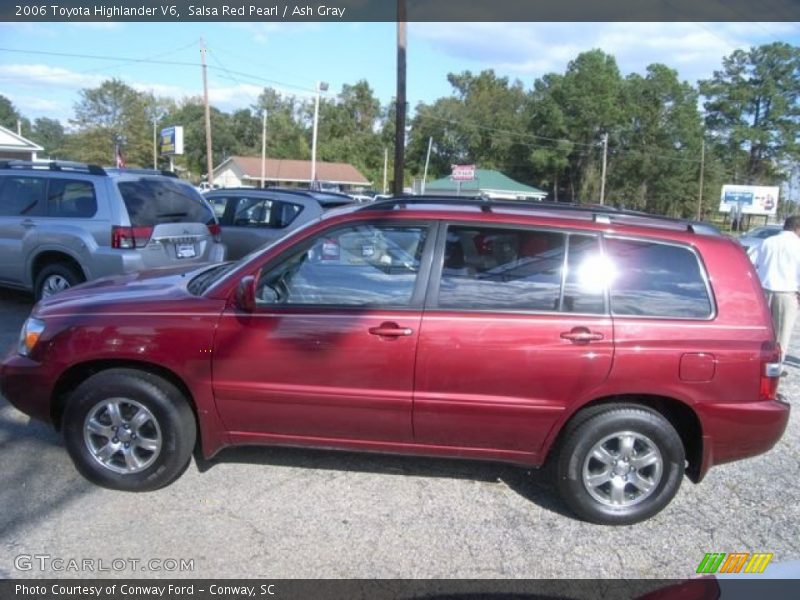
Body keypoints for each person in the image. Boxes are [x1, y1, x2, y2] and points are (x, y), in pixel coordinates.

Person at [748, 215, 800, 366]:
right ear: (798, 228)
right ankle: (774, 368)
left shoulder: (767, 242)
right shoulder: (798, 245)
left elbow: (751, 262)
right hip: (786, 294)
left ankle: (757, 364)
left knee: (763, 333)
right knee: (781, 336)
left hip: (763, 291)